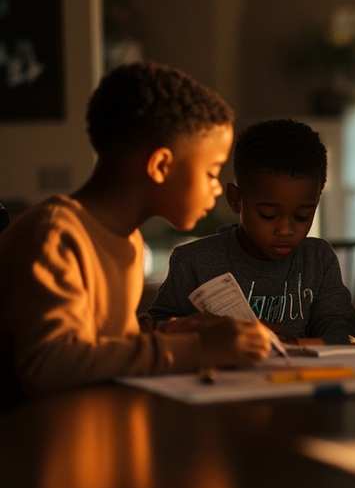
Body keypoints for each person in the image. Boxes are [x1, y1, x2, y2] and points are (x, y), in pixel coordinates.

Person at [0, 62, 272, 406]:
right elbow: (50, 366)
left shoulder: (129, 242)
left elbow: (104, 342)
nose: (217, 189)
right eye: (211, 171)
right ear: (160, 166)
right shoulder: (53, 235)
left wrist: (178, 331)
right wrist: (196, 349)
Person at [147, 119, 355, 345]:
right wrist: (208, 330)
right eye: (268, 215)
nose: (285, 230)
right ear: (235, 200)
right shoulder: (195, 262)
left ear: (317, 200)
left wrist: (292, 344)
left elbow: (348, 336)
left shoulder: (317, 260)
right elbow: (154, 331)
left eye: (302, 216)